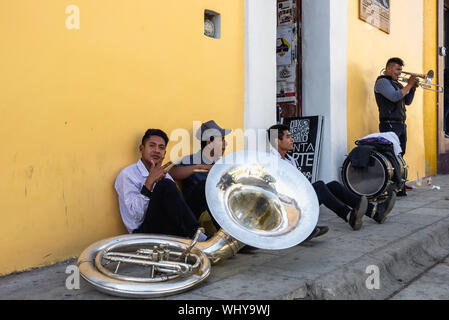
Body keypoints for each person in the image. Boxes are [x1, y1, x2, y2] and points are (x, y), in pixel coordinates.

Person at [267, 124, 394, 228]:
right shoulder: (273, 161)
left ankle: (374, 212)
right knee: (319, 186)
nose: (292, 139)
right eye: (288, 137)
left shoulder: (289, 159)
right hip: (290, 205)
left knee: (333, 185)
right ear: (277, 141)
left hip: (299, 197)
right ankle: (348, 215)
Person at [114, 128, 207, 241]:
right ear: (141, 149)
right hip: (144, 233)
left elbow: (177, 209)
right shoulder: (127, 175)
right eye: (152, 146)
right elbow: (136, 217)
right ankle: (198, 237)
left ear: (164, 154)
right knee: (165, 185)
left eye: (161, 147)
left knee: (203, 187)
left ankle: (226, 235)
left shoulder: (165, 175)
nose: (157, 150)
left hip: (168, 227)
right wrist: (149, 182)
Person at [169, 120, 229, 232]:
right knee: (206, 185)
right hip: (194, 212)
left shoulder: (222, 164)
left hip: (218, 210)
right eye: (221, 140)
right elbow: (172, 173)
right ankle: (226, 232)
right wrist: (200, 167)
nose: (225, 144)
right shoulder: (191, 160)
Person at [375, 57, 418, 156]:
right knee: (391, 155)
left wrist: (412, 88)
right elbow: (395, 97)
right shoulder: (382, 82)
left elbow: (407, 101)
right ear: (389, 69)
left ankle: (399, 172)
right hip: (389, 124)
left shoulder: (397, 84)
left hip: (401, 124)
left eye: (401, 70)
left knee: (400, 155)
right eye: (398, 69)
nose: (400, 73)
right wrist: (409, 84)